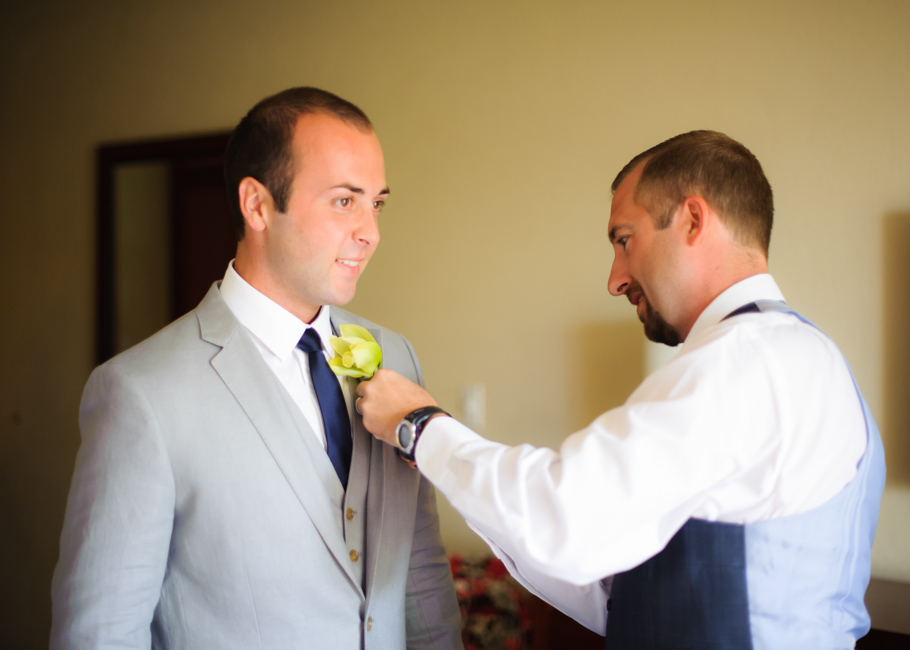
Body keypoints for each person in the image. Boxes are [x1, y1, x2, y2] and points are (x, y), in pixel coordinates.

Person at [356, 130, 886, 649]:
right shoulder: (794, 354)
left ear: (693, 220)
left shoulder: (747, 360)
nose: (615, 279)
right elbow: (619, 590)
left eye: (624, 240)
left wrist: (421, 427)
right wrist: (441, 460)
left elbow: (568, 521)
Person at [51, 87, 462, 649]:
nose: (371, 231)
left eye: (377, 202)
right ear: (258, 204)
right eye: (345, 201)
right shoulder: (140, 394)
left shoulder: (394, 357)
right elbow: (101, 634)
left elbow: (420, 575)